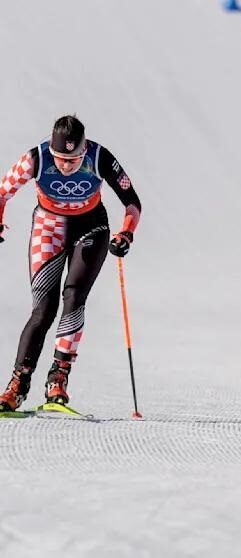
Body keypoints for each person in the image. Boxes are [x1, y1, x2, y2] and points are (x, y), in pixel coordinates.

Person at [0, 115, 141, 411]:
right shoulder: (35, 158)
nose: (66, 166)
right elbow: (3, 192)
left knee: (74, 296)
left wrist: (126, 232)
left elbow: (132, 201)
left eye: (74, 159)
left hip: (91, 226)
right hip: (48, 228)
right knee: (43, 308)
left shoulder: (99, 156)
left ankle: (58, 379)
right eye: (61, 159)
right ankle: (17, 384)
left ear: (84, 149)